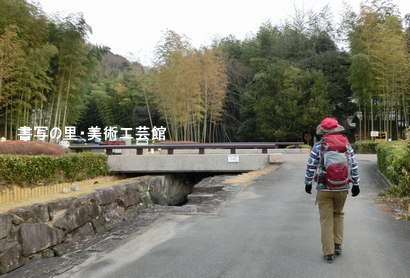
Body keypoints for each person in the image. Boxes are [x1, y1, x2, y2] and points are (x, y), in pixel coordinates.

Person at [304, 117, 360, 263]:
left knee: (326, 219)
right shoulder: (346, 144)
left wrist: (308, 182)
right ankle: (338, 245)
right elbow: (353, 164)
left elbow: (311, 166)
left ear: (322, 131)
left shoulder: (318, 146)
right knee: (339, 214)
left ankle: (328, 253)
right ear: (337, 128)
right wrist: (356, 184)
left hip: (324, 187)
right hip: (343, 187)